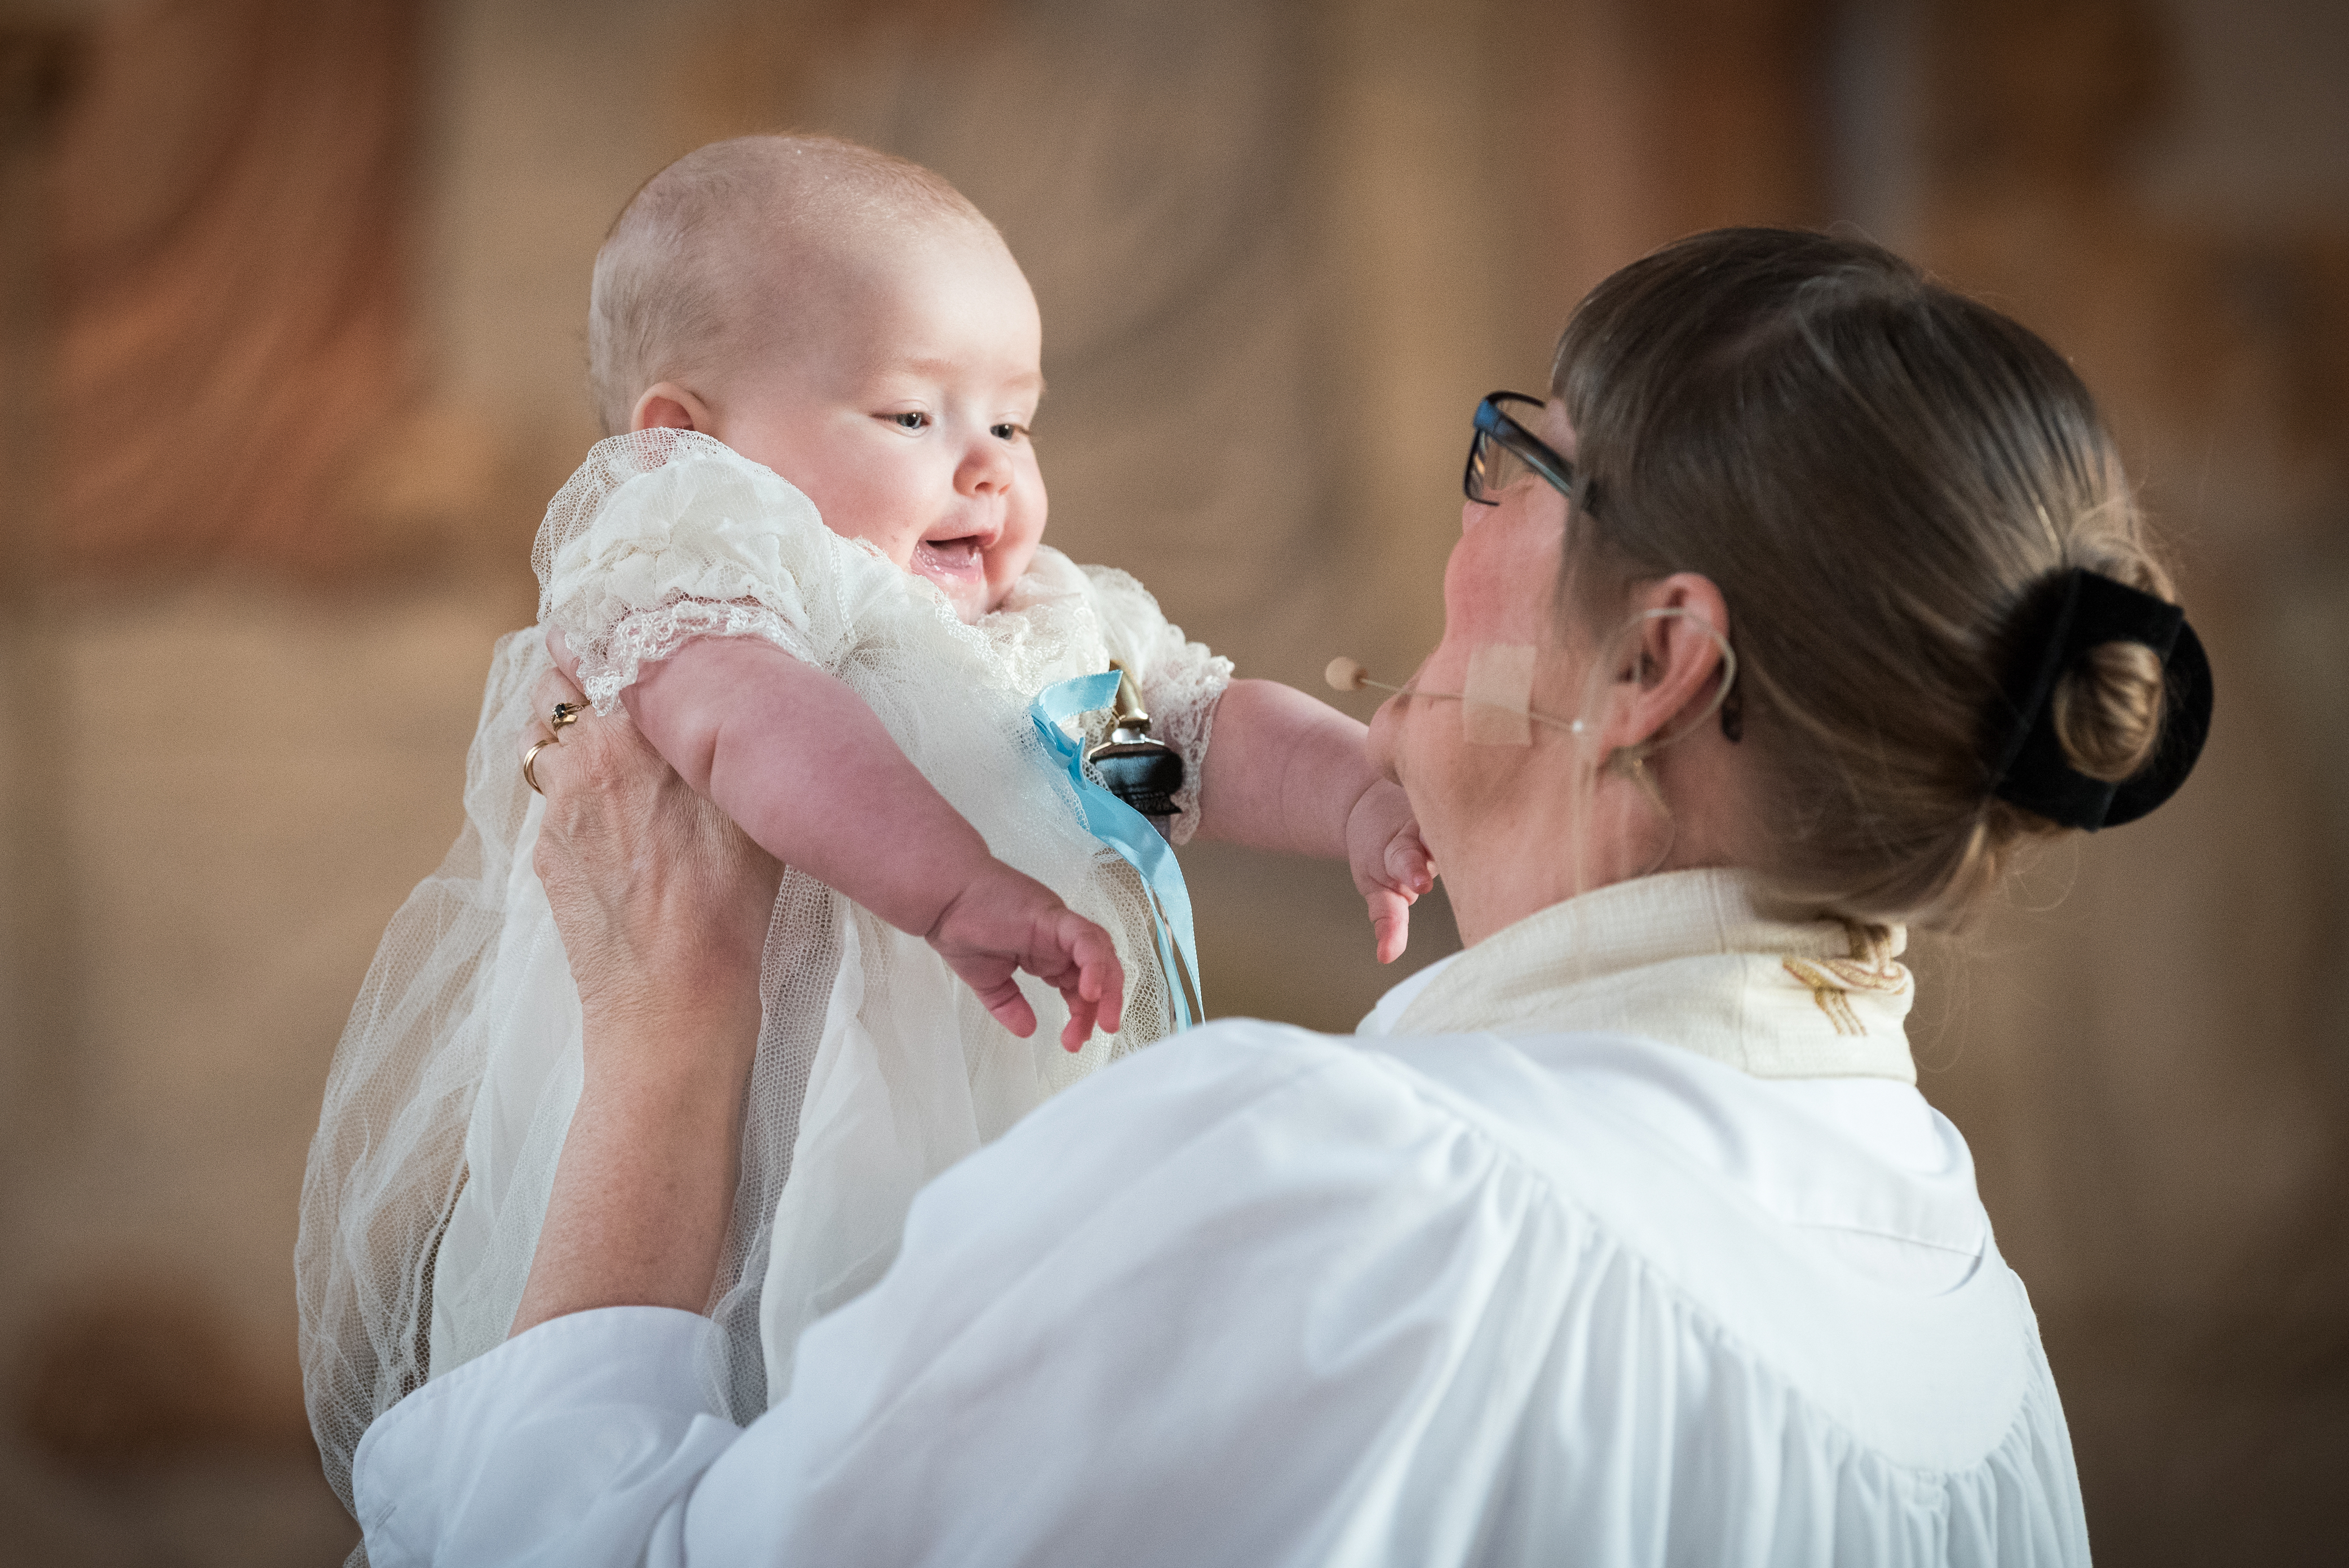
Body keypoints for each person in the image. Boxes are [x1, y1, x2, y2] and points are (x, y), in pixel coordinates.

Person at [347, 228, 2212, 1565]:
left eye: (1521, 463)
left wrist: (662, 1043)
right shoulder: (1943, 1287)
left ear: (1652, 662)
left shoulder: (1340, 1198)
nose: (1462, 514)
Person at [297, 135, 1431, 1513]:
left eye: (1011, 422)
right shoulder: (717, 574)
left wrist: (1359, 789)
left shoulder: (1044, 635)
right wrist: (953, 889)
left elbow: (1183, 744)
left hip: (1033, 1119)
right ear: (686, 443)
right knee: (803, 1413)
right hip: (792, 1138)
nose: (987, 473)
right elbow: (759, 729)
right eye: (913, 418)